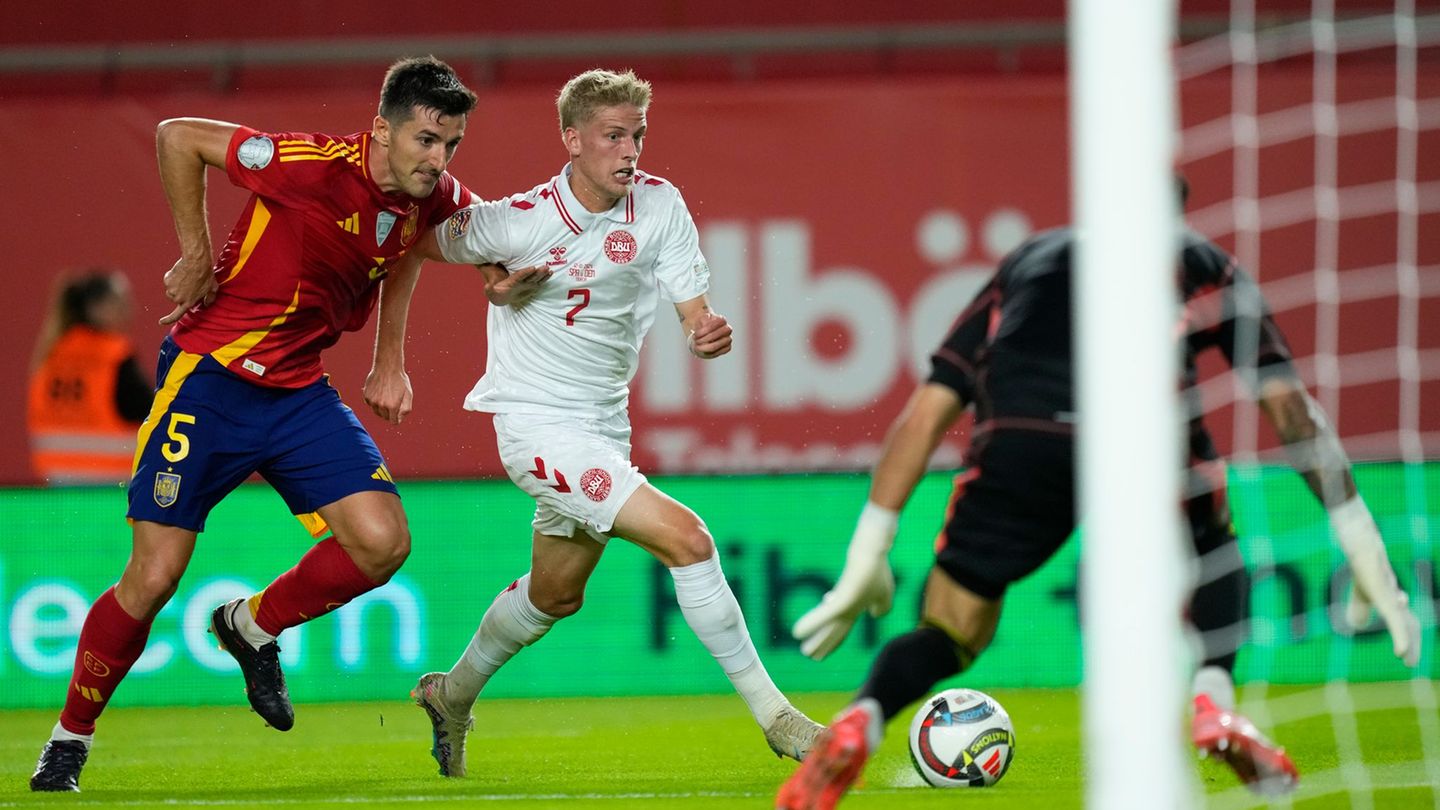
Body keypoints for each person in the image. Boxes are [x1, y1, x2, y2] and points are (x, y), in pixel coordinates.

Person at [775, 216, 1422, 809]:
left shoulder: (1028, 259)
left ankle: (864, 715)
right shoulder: (1203, 259)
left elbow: (925, 415)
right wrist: (1360, 538)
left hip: (1022, 437)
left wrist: (869, 549)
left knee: (950, 629)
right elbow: (1290, 411)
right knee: (1211, 544)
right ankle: (1215, 703)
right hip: (1143, 429)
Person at [28, 56, 479, 793]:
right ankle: (69, 740)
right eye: (428, 139)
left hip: (297, 394)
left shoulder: (429, 195)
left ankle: (250, 626)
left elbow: (418, 244)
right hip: (208, 383)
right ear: (382, 131)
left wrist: (390, 359)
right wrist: (198, 252)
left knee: (382, 543)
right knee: (152, 578)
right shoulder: (304, 165)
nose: (440, 158)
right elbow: (178, 137)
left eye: (451, 144)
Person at [363, 67, 822, 778]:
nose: (630, 151)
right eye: (613, 136)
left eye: (637, 135)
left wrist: (704, 331)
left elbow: (693, 310)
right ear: (572, 139)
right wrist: (407, 344)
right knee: (689, 541)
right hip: (535, 427)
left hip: (603, 427)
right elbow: (408, 242)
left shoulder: (660, 206)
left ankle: (450, 695)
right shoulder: (516, 221)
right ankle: (779, 719)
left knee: (556, 595)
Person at [28, 269, 152, 485]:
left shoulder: (50, 354)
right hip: (111, 485)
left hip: (58, 483)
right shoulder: (114, 356)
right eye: (120, 303)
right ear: (96, 308)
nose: (129, 311)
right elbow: (152, 411)